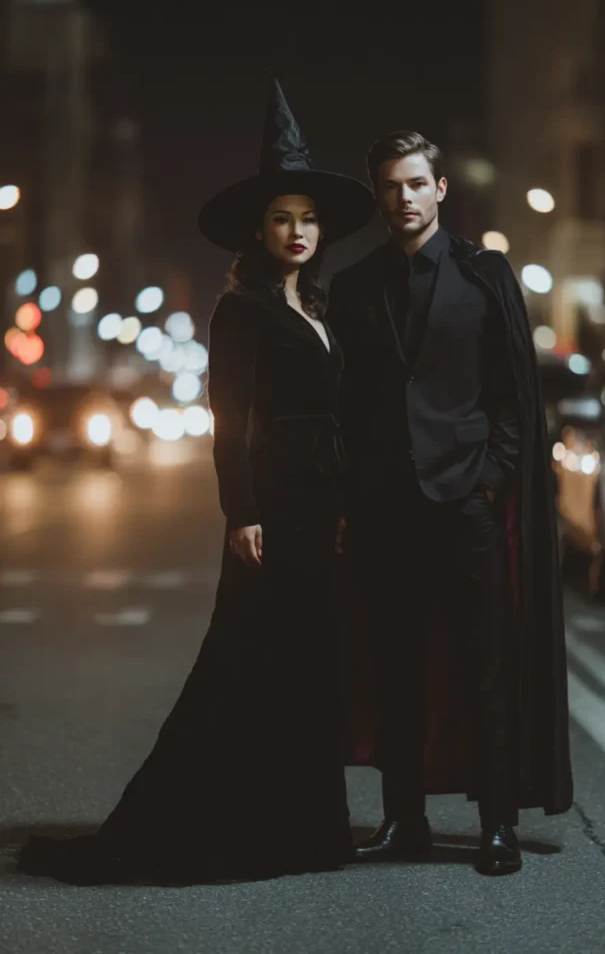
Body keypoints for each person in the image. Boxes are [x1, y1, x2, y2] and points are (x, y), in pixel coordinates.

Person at [16, 78, 375, 885]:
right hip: (275, 506)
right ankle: (200, 821)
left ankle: (309, 827)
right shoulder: (243, 309)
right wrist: (241, 513)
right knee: (245, 662)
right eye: (282, 217)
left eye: (308, 218)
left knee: (311, 664)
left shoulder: (316, 306)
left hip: (324, 506)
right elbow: (230, 418)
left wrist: (348, 502)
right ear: (259, 228)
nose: (297, 230)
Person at [328, 130, 573, 876]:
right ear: (378, 195)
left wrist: (490, 479)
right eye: (389, 186)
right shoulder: (355, 285)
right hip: (385, 510)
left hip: (464, 500)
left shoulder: (484, 275)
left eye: (414, 183)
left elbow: (511, 395)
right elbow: (345, 404)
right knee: (396, 668)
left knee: (483, 668)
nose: (402, 197)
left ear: (439, 189)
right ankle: (405, 821)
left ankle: (495, 823)